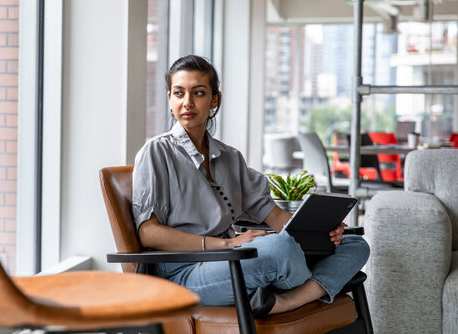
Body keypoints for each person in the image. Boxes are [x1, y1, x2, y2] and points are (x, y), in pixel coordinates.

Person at [131, 54, 369, 317]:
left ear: (214, 100)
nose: (187, 102)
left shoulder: (229, 157)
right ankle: (317, 281)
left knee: (354, 244)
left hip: (230, 261)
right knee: (280, 249)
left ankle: (289, 301)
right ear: (170, 99)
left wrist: (320, 234)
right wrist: (225, 245)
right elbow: (148, 233)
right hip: (183, 272)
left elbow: (276, 216)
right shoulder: (156, 151)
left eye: (198, 93)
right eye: (178, 93)